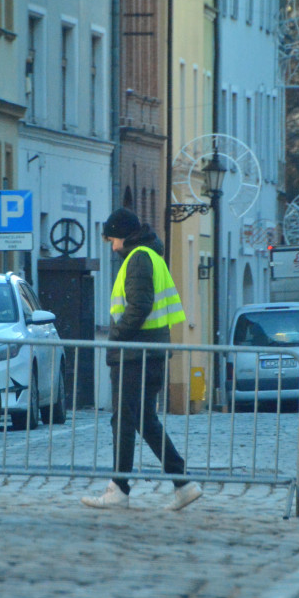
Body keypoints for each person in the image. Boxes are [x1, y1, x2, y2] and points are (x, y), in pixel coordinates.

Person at [81, 208, 203, 511]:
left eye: (112, 239)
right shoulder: (151, 256)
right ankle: (177, 483)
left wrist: (117, 336)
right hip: (150, 352)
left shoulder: (138, 259)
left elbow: (139, 306)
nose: (111, 246)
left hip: (136, 354)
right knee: (138, 420)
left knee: (129, 418)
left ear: (123, 235)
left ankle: (126, 486)